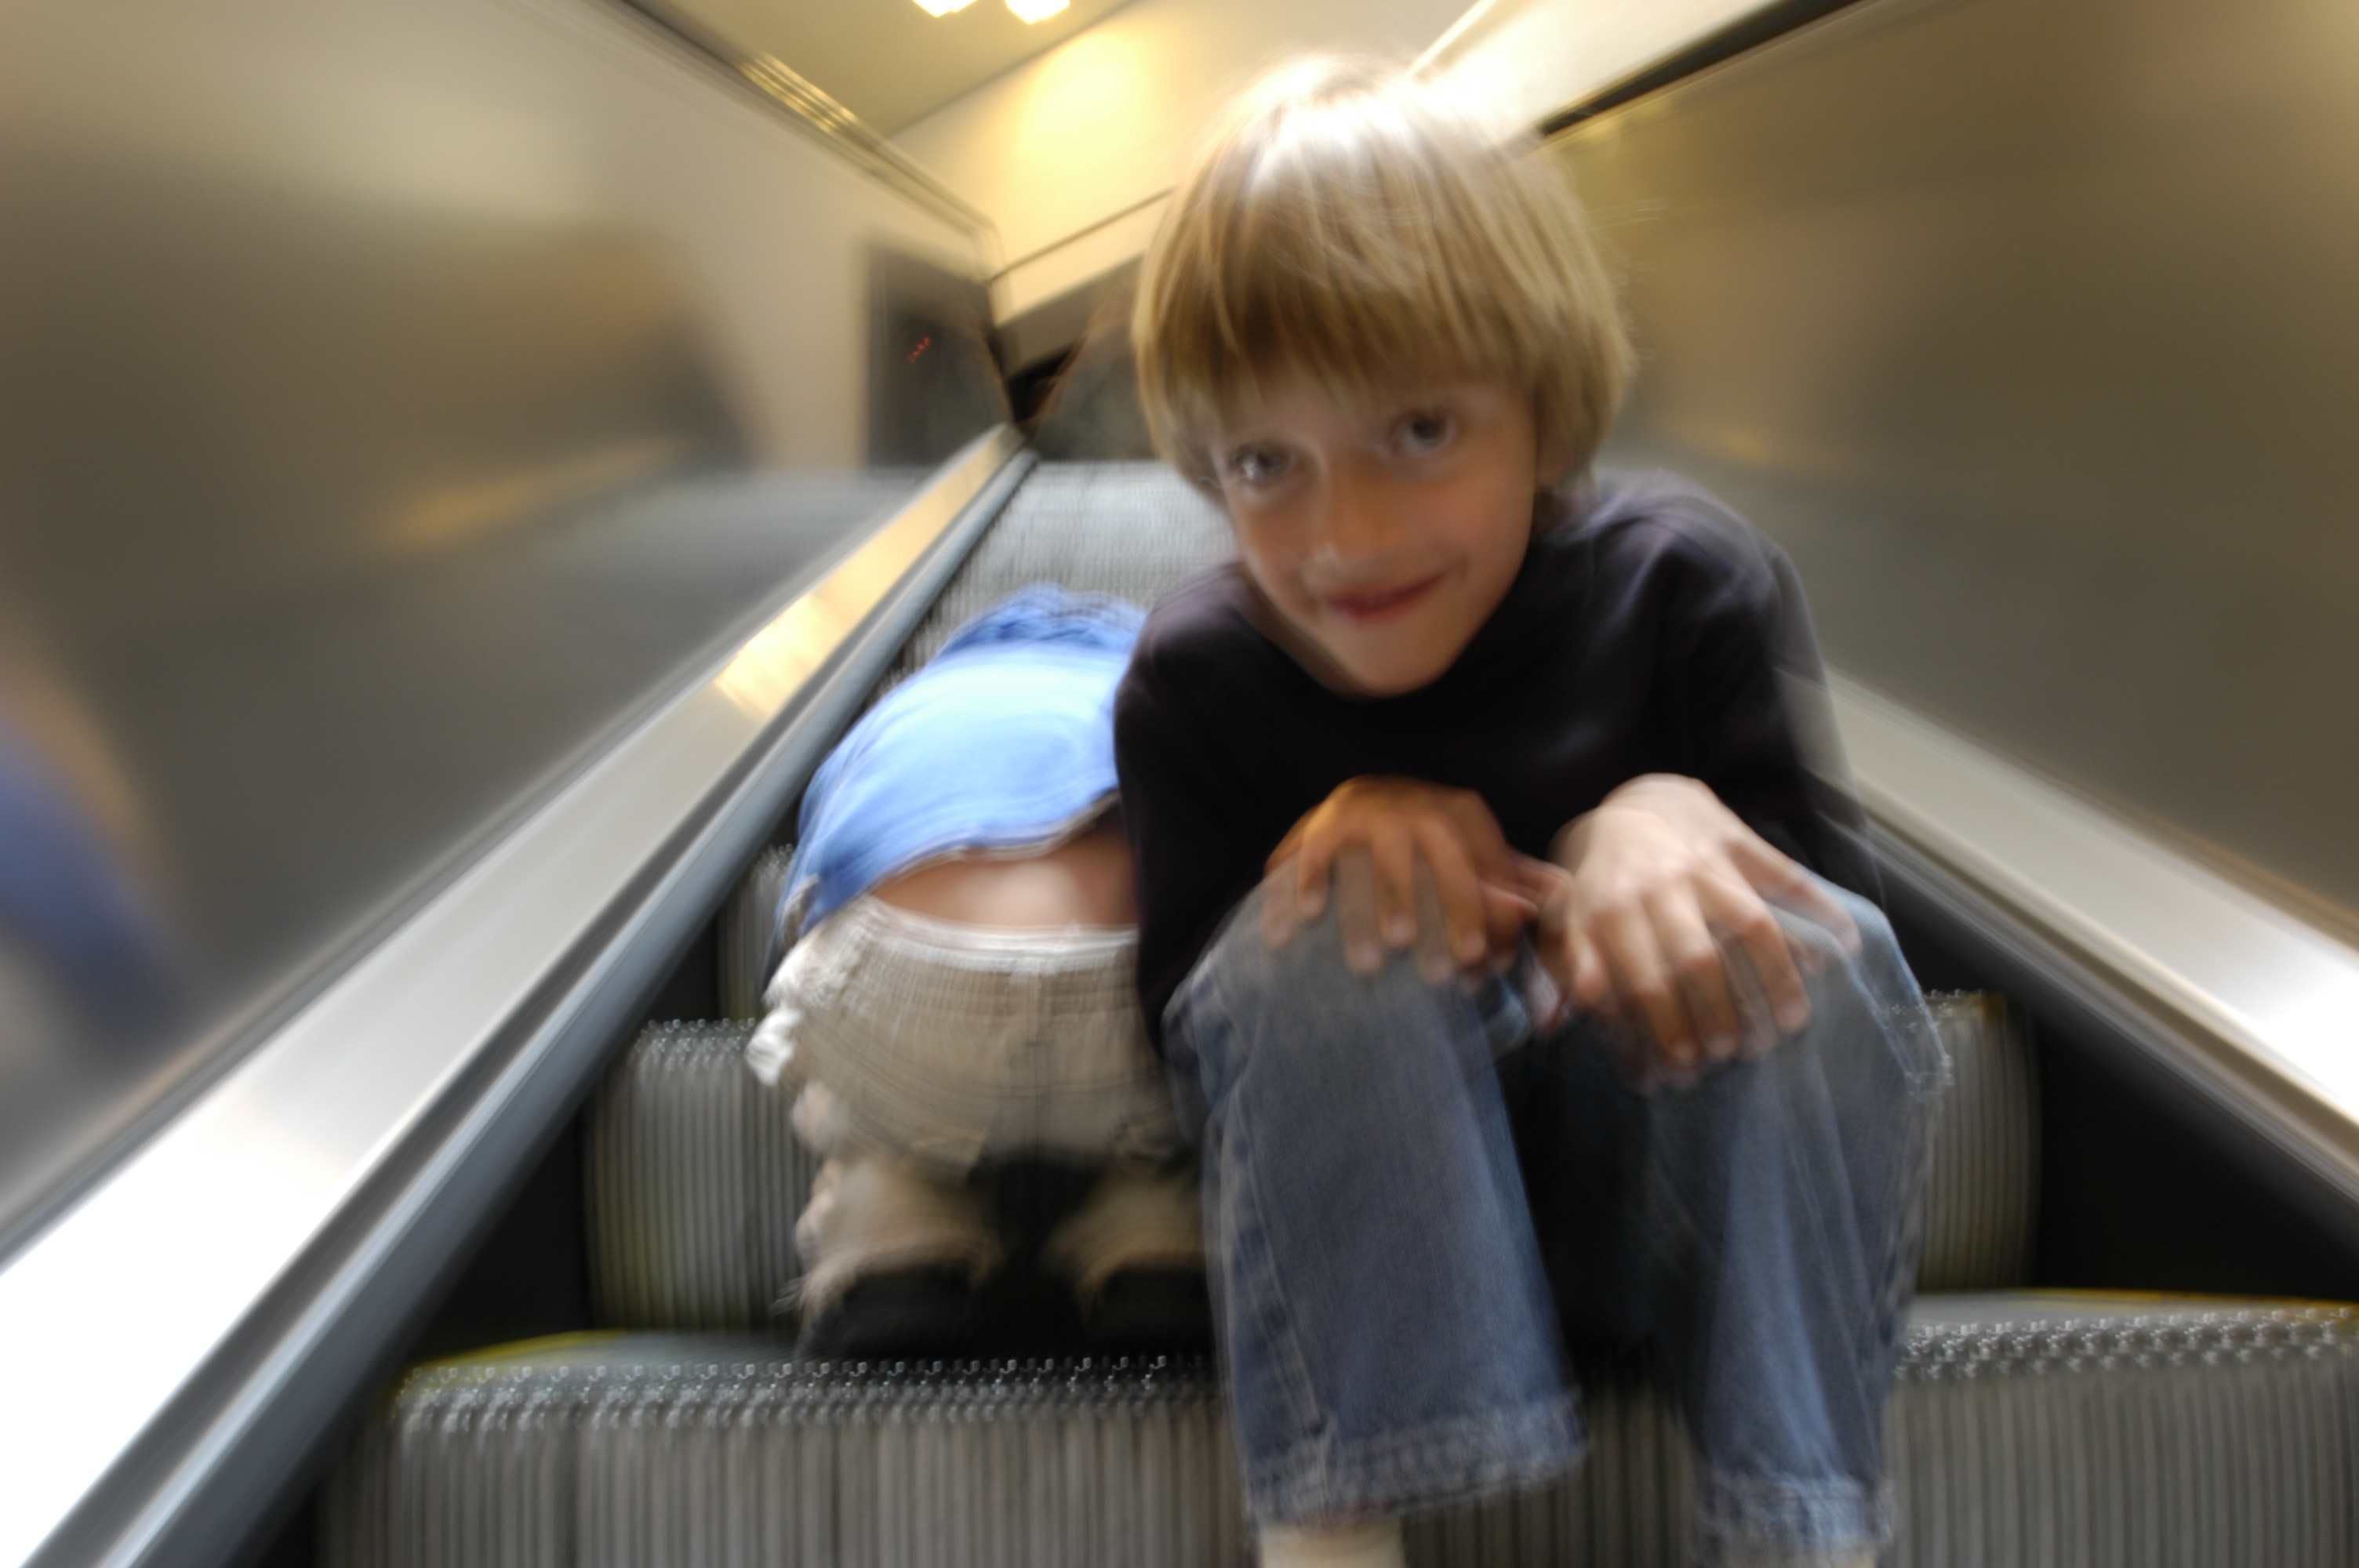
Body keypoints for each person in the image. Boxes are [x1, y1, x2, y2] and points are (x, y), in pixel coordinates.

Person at [1114, 59, 1945, 1568]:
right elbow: (1183, 1057)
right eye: (1265, 464)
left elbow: (1843, 1009)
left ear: (1542, 414)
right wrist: (1325, 860)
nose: (1344, 535)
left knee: (1781, 938)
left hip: (1669, 1211)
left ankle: (1800, 1540)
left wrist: (1647, 818)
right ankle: (1330, 1546)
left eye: (1418, 430)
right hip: (1360, 1252)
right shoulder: (1198, 677)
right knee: (1327, 924)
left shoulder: (1685, 584)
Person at [747, 586, 1206, 1357]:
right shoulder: (1171, 693)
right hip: (1132, 1006)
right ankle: (1159, 1226)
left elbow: (811, 890)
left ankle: (890, 1225)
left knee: (842, 1041)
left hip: (902, 1002)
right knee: (1211, 989)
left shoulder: (904, 710)